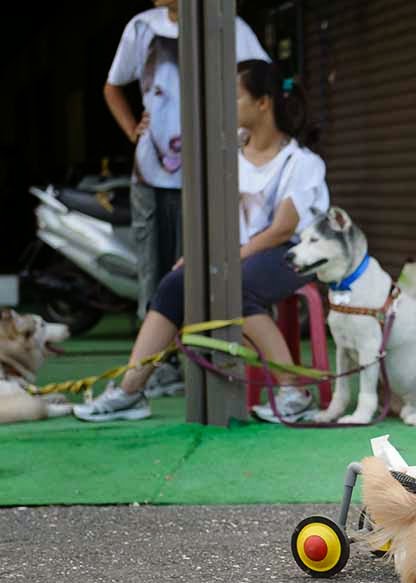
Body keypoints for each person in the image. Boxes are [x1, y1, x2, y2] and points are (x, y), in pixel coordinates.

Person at [75, 60, 329, 423]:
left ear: (263, 103)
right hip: (240, 258)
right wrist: (199, 257)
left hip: (293, 255)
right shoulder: (231, 158)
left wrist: (231, 260)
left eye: (236, 97)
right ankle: (130, 392)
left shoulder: (302, 163)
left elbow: (282, 230)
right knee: (174, 284)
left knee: (235, 286)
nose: (228, 106)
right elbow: (215, 217)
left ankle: (294, 392)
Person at [103, 0, 270, 398]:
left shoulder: (230, 26)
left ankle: (197, 362)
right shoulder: (142, 27)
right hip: (150, 175)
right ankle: (156, 371)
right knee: (153, 270)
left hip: (211, 175)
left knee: (193, 272)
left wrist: (245, 139)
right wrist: (132, 129)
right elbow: (113, 85)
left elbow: (264, 80)